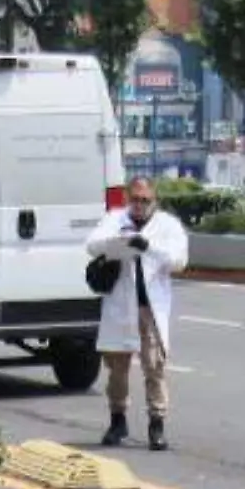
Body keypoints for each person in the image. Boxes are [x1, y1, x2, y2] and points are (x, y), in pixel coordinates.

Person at [84, 177, 188, 451]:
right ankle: (117, 421)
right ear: (128, 198)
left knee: (154, 367)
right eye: (135, 199)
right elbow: (92, 245)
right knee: (117, 370)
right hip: (121, 306)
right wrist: (119, 241)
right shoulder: (115, 219)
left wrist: (148, 247)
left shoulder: (167, 225)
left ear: (155, 201)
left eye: (146, 200)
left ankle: (157, 425)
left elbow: (179, 261)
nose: (140, 205)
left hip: (150, 309)